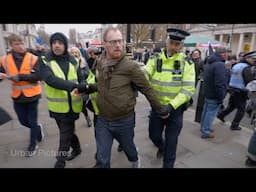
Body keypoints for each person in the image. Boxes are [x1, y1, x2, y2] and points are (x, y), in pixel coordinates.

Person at [74, 27, 169, 168]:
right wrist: (87, 89)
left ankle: (135, 159)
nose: (118, 45)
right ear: (105, 44)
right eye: (113, 42)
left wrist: (161, 110)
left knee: (129, 150)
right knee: (102, 159)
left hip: (124, 121)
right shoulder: (101, 62)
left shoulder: (130, 66)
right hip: (103, 120)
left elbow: (147, 89)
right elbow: (100, 85)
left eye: (120, 41)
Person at [145, 28, 195, 168]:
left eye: (177, 44)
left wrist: (171, 106)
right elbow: (145, 74)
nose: (173, 47)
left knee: (172, 144)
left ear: (181, 46)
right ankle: (161, 147)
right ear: (167, 42)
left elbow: (188, 89)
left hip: (175, 111)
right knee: (154, 136)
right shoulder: (155, 59)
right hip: (157, 108)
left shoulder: (187, 63)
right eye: (171, 43)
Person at [39, 32, 84, 168]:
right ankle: (77, 148)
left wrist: (83, 89)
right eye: (54, 43)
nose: (56, 45)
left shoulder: (74, 61)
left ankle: (60, 162)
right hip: (57, 107)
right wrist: (73, 86)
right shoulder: (45, 60)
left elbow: (81, 79)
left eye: (60, 43)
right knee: (67, 132)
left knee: (64, 136)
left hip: (73, 107)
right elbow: (50, 80)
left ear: (65, 45)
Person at [0, 33, 44, 157]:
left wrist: (20, 77)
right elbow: (2, 74)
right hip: (17, 96)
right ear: (11, 45)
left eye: (21, 43)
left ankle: (32, 144)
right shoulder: (5, 60)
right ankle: (37, 128)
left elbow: (38, 76)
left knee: (32, 120)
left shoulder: (33, 58)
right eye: (16, 44)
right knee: (23, 121)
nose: (20, 46)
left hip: (33, 95)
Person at [217, 51, 256, 130]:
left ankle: (221, 115)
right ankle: (234, 125)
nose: (254, 61)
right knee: (241, 109)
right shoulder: (246, 67)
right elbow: (249, 81)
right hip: (240, 91)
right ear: (247, 58)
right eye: (253, 59)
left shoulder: (237, 65)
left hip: (232, 89)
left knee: (231, 106)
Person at [200, 47, 228, 138]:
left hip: (208, 92)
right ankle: (205, 131)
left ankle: (203, 127)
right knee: (210, 113)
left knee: (206, 111)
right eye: (226, 53)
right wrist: (221, 96)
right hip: (214, 94)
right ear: (222, 54)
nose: (227, 55)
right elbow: (219, 83)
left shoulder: (210, 61)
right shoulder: (220, 64)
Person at [70, 47, 92, 128]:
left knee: (82, 106)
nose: (75, 54)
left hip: (82, 88)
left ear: (79, 53)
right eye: (72, 52)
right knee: (72, 108)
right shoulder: (69, 64)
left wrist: (81, 74)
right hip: (72, 89)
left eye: (76, 52)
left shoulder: (83, 62)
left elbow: (88, 74)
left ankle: (87, 117)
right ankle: (71, 124)